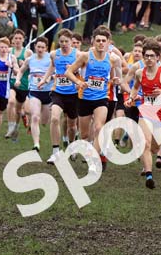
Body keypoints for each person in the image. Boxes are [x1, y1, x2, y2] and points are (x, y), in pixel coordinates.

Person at [65, 26, 123, 173]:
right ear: (93, 42)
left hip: (102, 98)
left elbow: (119, 78)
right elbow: (69, 72)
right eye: (98, 40)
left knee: (99, 127)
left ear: (109, 42)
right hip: (85, 98)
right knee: (84, 134)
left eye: (104, 41)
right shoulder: (85, 56)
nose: (101, 43)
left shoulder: (113, 59)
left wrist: (116, 81)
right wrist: (78, 82)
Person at [126, 38, 161, 188]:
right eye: (146, 56)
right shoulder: (139, 73)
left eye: (152, 56)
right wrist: (131, 98)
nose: (148, 59)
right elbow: (135, 88)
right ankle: (149, 175)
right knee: (145, 143)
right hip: (147, 110)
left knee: (155, 147)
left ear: (158, 57)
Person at [41, 30, 79, 163]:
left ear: (71, 41)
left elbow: (85, 69)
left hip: (73, 94)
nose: (63, 44)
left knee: (72, 126)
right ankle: (55, 152)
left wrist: (75, 69)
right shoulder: (54, 54)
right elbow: (52, 67)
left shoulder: (77, 54)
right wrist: (44, 79)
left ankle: (72, 146)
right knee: (55, 119)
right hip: (58, 92)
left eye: (66, 41)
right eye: (61, 41)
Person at [24, 37, 54, 152]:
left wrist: (48, 79)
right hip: (34, 92)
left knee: (44, 121)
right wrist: (17, 79)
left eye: (42, 47)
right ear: (35, 47)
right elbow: (21, 70)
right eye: (38, 47)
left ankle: (38, 130)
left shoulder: (51, 59)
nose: (40, 49)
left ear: (46, 48)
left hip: (48, 93)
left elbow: (57, 74)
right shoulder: (30, 59)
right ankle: (36, 144)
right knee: (35, 117)